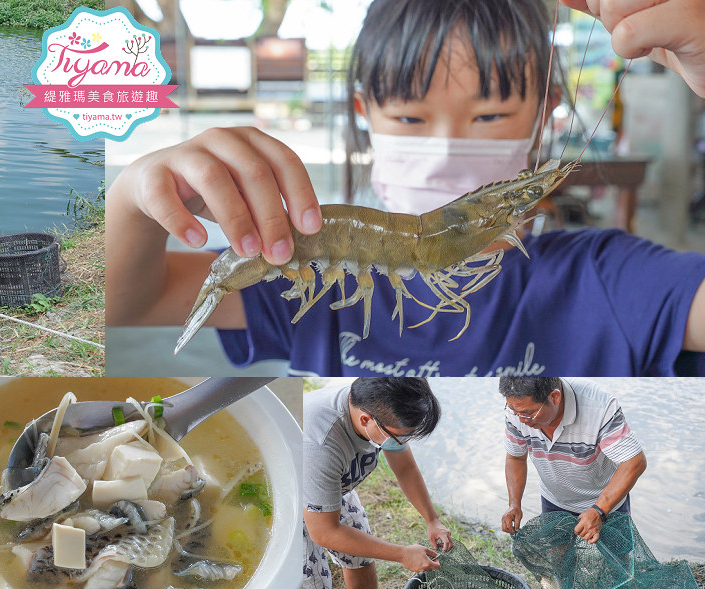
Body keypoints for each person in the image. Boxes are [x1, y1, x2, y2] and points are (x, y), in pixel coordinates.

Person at [104, 0, 705, 376]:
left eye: (489, 116)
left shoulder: (614, 281)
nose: (446, 145)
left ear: (546, 111)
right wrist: (132, 198)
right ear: (366, 111)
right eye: (412, 118)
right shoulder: (291, 275)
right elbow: (123, 304)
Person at [301, 378, 452, 589]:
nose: (402, 443)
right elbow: (324, 532)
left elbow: (404, 467)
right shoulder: (320, 444)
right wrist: (402, 554)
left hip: (335, 488)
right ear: (365, 420)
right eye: (400, 436)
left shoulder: (380, 409)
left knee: (361, 553)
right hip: (298, 498)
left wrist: (432, 519)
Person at [497, 376, 647, 589]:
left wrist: (599, 510)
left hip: (604, 498)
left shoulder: (599, 406)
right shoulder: (518, 410)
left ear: (554, 397)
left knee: (617, 558)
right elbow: (516, 456)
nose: (522, 420)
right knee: (559, 556)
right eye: (515, 412)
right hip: (555, 496)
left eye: (528, 414)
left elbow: (634, 462)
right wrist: (514, 503)